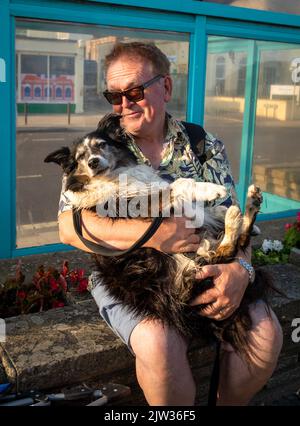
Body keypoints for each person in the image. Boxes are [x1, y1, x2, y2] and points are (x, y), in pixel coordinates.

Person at [58, 42, 283, 406]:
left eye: (133, 92)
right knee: (159, 343)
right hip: (131, 275)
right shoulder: (97, 146)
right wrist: (156, 234)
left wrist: (241, 269)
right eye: (113, 96)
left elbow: (231, 214)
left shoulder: (202, 144)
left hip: (206, 258)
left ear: (165, 87)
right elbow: (69, 227)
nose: (123, 105)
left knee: (266, 333)